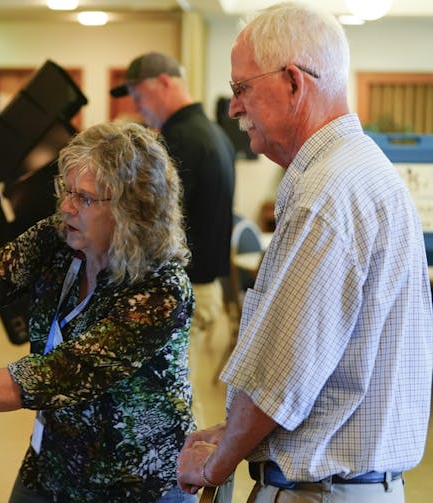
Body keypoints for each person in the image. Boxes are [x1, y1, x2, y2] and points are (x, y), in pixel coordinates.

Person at [175, 3, 433, 502]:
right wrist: (233, 435)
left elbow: (279, 379)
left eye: (241, 88)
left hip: (321, 491)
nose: (233, 108)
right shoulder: (358, 168)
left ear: (293, 83)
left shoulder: (326, 191)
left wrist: (216, 464)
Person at [0, 121, 197, 502]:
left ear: (131, 211)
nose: (66, 207)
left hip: (133, 483)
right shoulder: (59, 239)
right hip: (55, 461)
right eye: (66, 191)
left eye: (84, 198)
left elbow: (57, 375)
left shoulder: (161, 290)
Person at [111, 52, 236, 397]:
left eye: (139, 95)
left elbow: (152, 222)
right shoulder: (213, 133)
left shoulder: (179, 141)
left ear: (165, 82)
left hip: (185, 291)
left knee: (174, 408)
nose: (138, 107)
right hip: (205, 287)